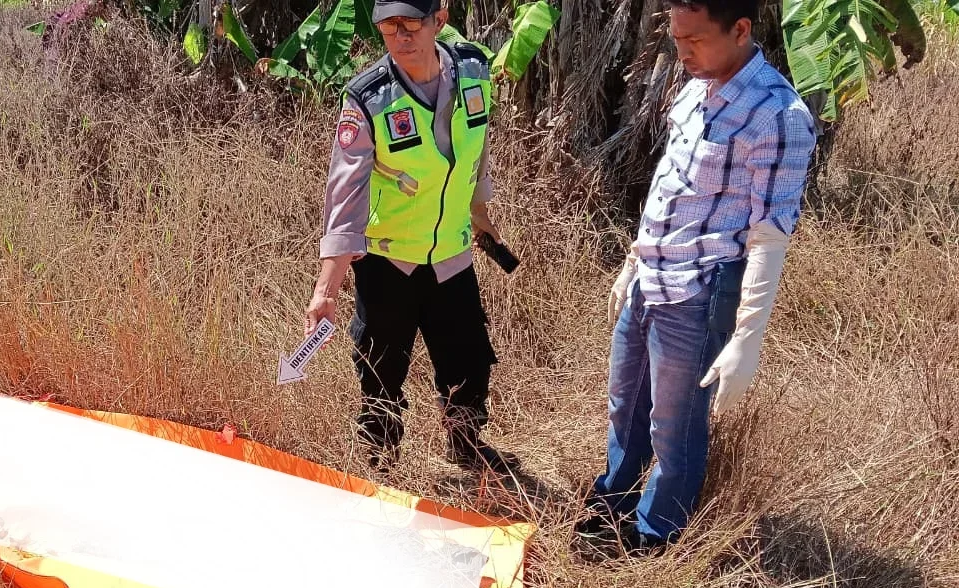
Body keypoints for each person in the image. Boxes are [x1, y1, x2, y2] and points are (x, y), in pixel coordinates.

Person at [576, 0, 817, 555]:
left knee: (675, 424)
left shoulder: (777, 115)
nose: (683, 52)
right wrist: (632, 263)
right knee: (626, 401)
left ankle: (653, 534)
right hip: (650, 276)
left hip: (699, 290)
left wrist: (746, 338)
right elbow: (669, 187)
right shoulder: (692, 89)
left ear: (740, 30)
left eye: (696, 40)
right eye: (676, 38)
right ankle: (614, 497)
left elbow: (768, 235)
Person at [304, 0, 520, 479]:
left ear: (439, 19)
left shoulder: (473, 70)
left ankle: (465, 445)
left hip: (451, 253)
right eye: (388, 27)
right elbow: (346, 193)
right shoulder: (369, 97)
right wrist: (326, 288)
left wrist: (479, 212)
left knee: (469, 360)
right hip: (388, 261)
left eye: (411, 24)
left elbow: (476, 149)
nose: (400, 36)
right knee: (381, 372)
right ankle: (380, 467)